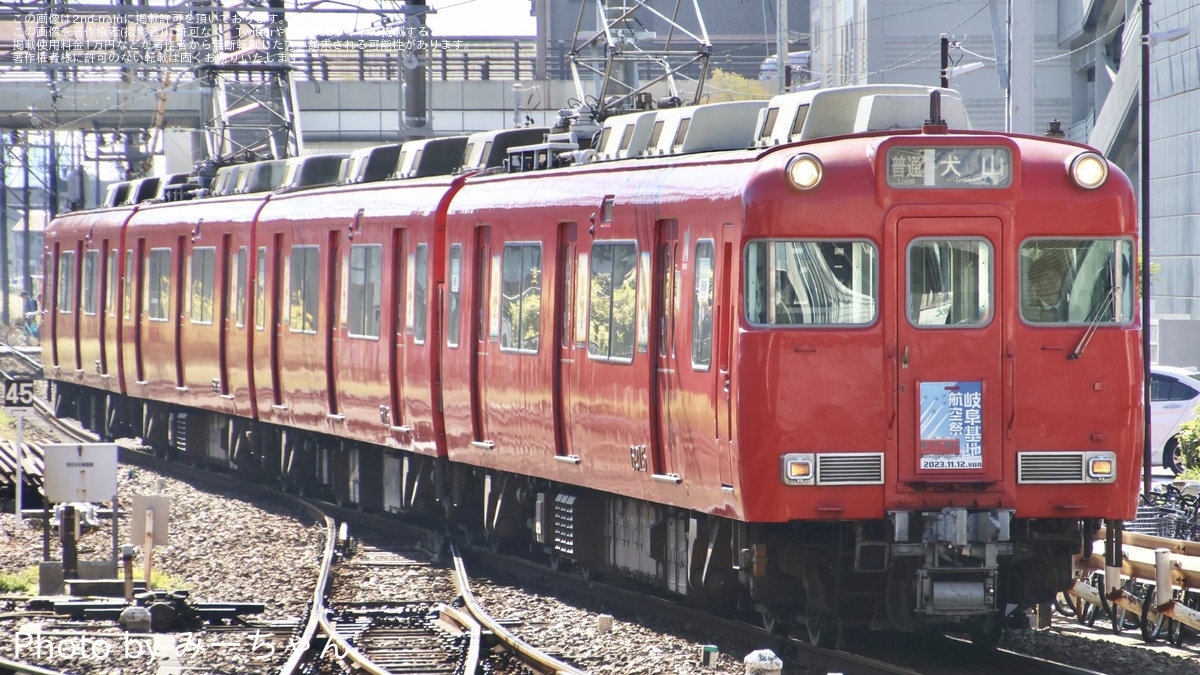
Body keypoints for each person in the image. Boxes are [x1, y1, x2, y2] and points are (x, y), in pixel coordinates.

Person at [1023, 253, 1070, 322]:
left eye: (1055, 276)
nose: (1053, 281)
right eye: (1047, 278)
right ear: (1037, 285)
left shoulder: (1072, 310)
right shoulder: (1030, 313)